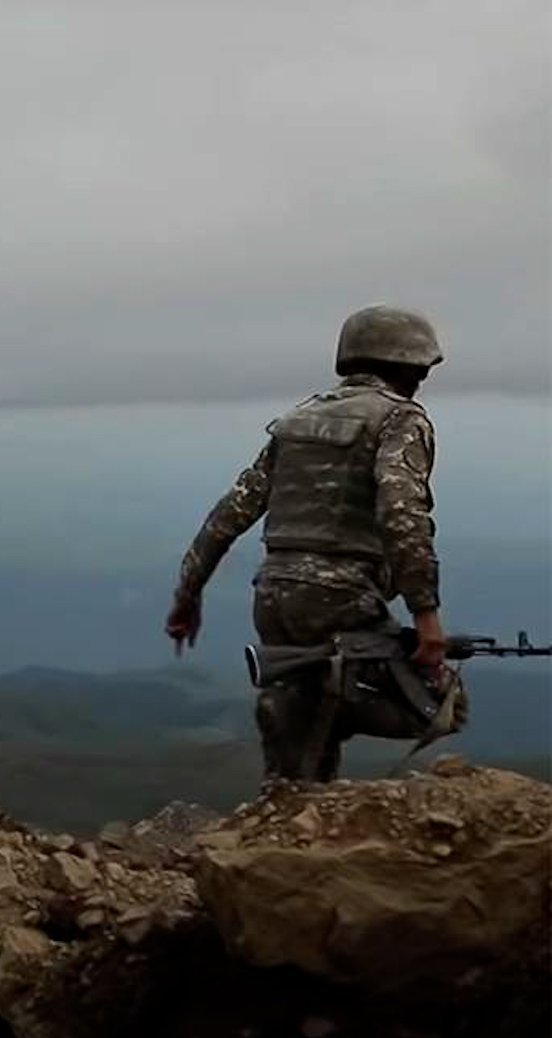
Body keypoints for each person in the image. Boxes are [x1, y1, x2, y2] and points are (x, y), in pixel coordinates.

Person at [165, 304, 457, 782]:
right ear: (409, 365)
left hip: (275, 593)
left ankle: (291, 788)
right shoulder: (401, 420)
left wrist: (187, 594)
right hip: (342, 597)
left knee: (294, 722)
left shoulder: (298, 420)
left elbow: (230, 513)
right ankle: (326, 705)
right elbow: (402, 515)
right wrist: (426, 615)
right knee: (440, 703)